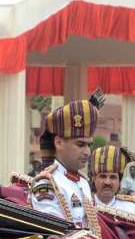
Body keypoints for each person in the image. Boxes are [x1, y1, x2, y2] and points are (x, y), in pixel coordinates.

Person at [30, 90, 105, 237]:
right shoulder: (46, 184)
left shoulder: (83, 182)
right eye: (80, 144)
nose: (87, 152)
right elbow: (55, 234)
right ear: (58, 142)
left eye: (89, 145)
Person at [90, 145, 135, 215]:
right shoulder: (84, 206)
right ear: (94, 179)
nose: (107, 182)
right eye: (102, 176)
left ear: (119, 181)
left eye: (113, 177)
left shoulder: (132, 209)